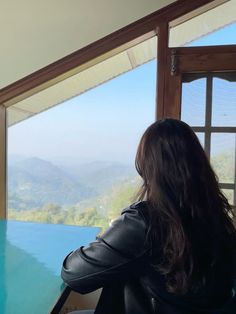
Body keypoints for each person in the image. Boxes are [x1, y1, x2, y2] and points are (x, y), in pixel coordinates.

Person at [61, 119, 236, 314]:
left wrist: (112, 234)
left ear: (148, 166)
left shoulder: (145, 222)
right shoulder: (214, 214)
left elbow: (73, 274)